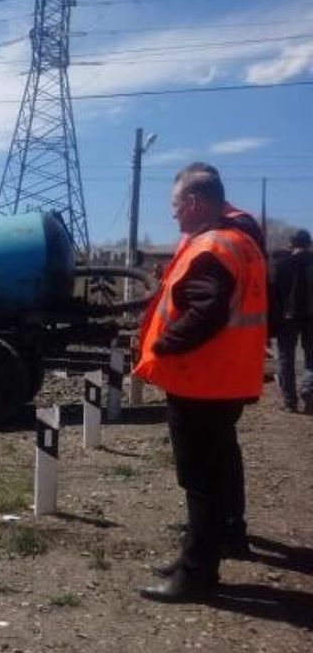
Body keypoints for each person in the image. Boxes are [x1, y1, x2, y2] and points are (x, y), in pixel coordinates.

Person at [134, 162, 267, 602]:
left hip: (201, 380)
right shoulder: (239, 240)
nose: (172, 215)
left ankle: (196, 575)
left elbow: (206, 311)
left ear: (193, 202)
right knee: (218, 468)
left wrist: (162, 346)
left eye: (174, 205)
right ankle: (210, 546)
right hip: (224, 378)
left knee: (200, 481)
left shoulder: (211, 245)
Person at [271, 228, 313, 412]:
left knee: (285, 359)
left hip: (286, 318)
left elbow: (274, 296)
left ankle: (290, 402)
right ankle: (308, 389)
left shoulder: (281, 265)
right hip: (312, 318)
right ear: (309, 244)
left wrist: (271, 322)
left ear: (291, 244)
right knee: (312, 357)